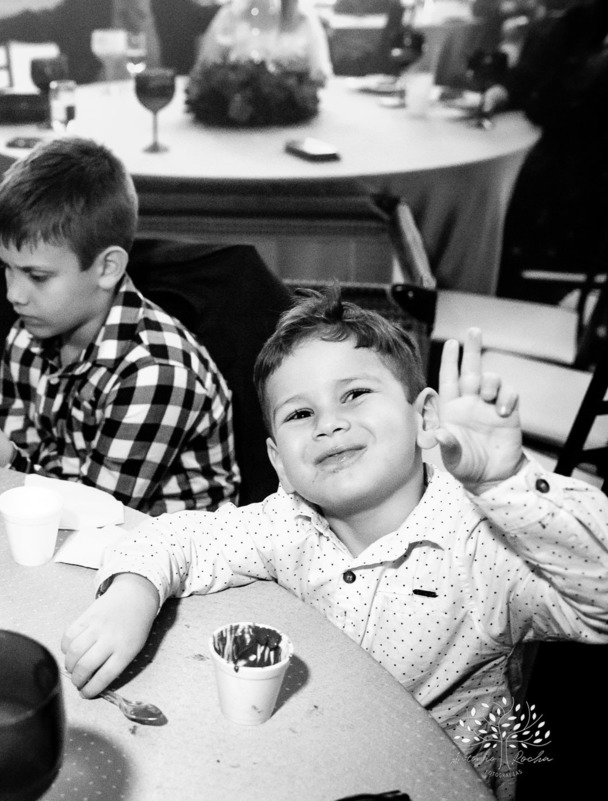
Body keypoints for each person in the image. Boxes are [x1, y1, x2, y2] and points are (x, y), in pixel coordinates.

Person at [60, 289, 608, 793]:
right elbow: (182, 537)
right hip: (314, 765)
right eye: (301, 413)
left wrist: (509, 484)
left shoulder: (484, 547)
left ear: (424, 418)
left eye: (355, 394)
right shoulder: (288, 523)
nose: (328, 423)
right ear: (279, 461)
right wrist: (132, 593)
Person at [0, 137, 240, 515]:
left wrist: (1, 458)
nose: (14, 294)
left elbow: (100, 516)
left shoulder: (156, 375)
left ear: (107, 268)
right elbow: (22, 457)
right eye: (6, 268)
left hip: (154, 543)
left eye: (37, 276)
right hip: (59, 526)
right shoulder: (28, 334)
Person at [484, 0, 608, 305]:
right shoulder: (577, 21)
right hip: (549, 169)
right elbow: (530, 74)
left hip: (582, 184)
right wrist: (503, 91)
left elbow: (563, 102)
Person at [0, 0, 220, 84]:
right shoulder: (84, 9)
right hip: (97, 118)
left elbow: (223, 15)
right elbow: (27, 22)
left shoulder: (175, 7)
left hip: (162, 112)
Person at [195, 0, 333, 82]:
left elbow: (320, 74)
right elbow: (205, 69)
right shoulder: (231, 14)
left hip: (294, 115)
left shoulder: (304, 18)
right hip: (235, 115)